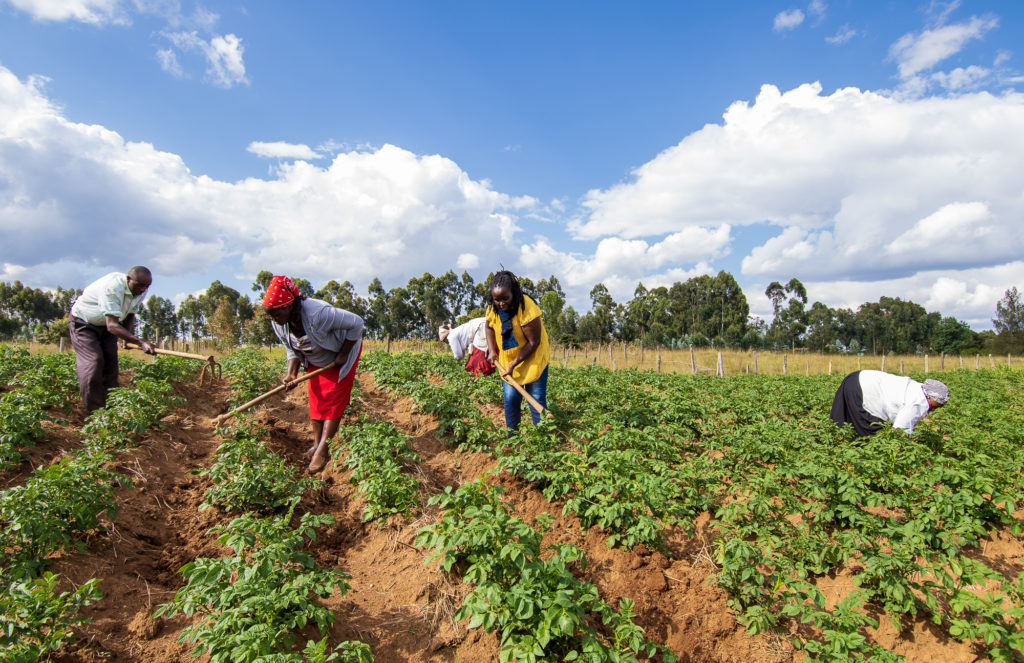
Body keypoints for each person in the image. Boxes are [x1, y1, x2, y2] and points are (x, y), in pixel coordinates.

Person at [263, 275, 363, 473]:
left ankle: (324, 450)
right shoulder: (279, 322)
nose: (274, 320)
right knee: (317, 398)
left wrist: (343, 354)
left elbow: (357, 323)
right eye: (271, 316)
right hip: (315, 357)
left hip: (339, 354)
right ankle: (316, 444)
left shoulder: (318, 314)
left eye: (276, 314)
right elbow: (290, 346)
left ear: (288, 306)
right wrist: (291, 373)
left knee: (333, 399)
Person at [69, 267, 156, 412]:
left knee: (111, 365)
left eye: (147, 286)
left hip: (108, 325)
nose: (143, 289)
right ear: (128, 280)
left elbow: (130, 313)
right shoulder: (112, 288)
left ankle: (112, 411)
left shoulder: (141, 290)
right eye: (140, 285)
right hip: (84, 323)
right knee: (93, 362)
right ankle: (95, 413)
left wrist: (126, 338)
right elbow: (112, 325)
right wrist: (140, 342)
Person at [484, 271, 551, 434]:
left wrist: (513, 365)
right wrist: (492, 350)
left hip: (533, 358)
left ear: (513, 292)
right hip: (508, 359)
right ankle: (513, 439)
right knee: (511, 398)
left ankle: (543, 441)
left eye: (505, 298)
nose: (501, 303)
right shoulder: (493, 307)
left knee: (536, 398)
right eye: (497, 299)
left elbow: (534, 342)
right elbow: (488, 326)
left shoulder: (526, 307)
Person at [830, 369, 949, 437]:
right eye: (935, 406)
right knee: (870, 435)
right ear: (931, 397)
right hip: (865, 390)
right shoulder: (919, 402)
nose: (932, 410)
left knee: (850, 425)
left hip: (856, 377)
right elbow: (899, 433)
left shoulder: (917, 388)